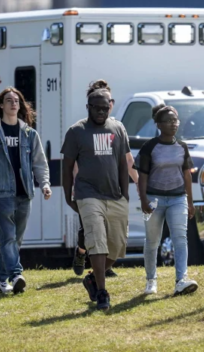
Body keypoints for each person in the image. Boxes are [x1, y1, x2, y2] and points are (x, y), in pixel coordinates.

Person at [0, 88, 51, 294]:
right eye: (9, 100)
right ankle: (16, 274)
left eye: (17, 101)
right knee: (7, 237)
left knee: (17, 239)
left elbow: (39, 163)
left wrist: (45, 184)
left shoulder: (30, 134)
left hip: (25, 192)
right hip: (1, 192)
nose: (13, 104)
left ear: (20, 106)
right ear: (1, 106)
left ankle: (0, 278)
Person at [62, 89, 130, 310]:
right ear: (88, 108)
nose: (101, 112)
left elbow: (122, 163)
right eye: (97, 108)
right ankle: (102, 292)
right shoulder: (76, 131)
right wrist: (68, 195)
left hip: (114, 195)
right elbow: (67, 167)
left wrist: (125, 194)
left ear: (110, 106)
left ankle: (92, 278)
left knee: (118, 247)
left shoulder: (118, 128)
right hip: (88, 194)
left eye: (105, 108)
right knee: (97, 241)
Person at [72, 80, 139, 277]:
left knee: (110, 232)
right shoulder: (82, 129)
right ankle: (81, 252)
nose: (107, 104)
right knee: (90, 232)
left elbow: (128, 160)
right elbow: (75, 163)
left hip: (112, 191)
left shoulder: (117, 128)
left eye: (109, 100)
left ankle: (99, 270)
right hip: (89, 191)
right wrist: (76, 188)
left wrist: (140, 182)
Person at [136, 104, 198, 296]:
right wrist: (144, 200)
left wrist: (190, 201)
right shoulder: (149, 147)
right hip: (154, 199)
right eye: (169, 121)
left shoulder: (182, 147)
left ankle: (181, 280)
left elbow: (187, 175)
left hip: (177, 198)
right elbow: (142, 176)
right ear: (159, 125)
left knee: (180, 238)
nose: (173, 124)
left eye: (175, 121)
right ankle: (151, 280)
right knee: (152, 241)